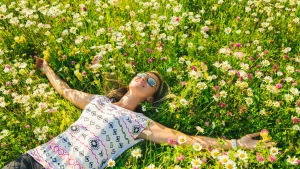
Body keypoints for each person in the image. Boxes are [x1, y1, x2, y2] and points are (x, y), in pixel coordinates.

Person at [3, 58, 274, 169]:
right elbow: (66, 91)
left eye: (152, 82)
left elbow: (186, 139)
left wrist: (238, 144)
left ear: (151, 98)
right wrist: (47, 69)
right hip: (34, 158)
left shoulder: (139, 123)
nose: (145, 78)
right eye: (143, 74)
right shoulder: (98, 101)